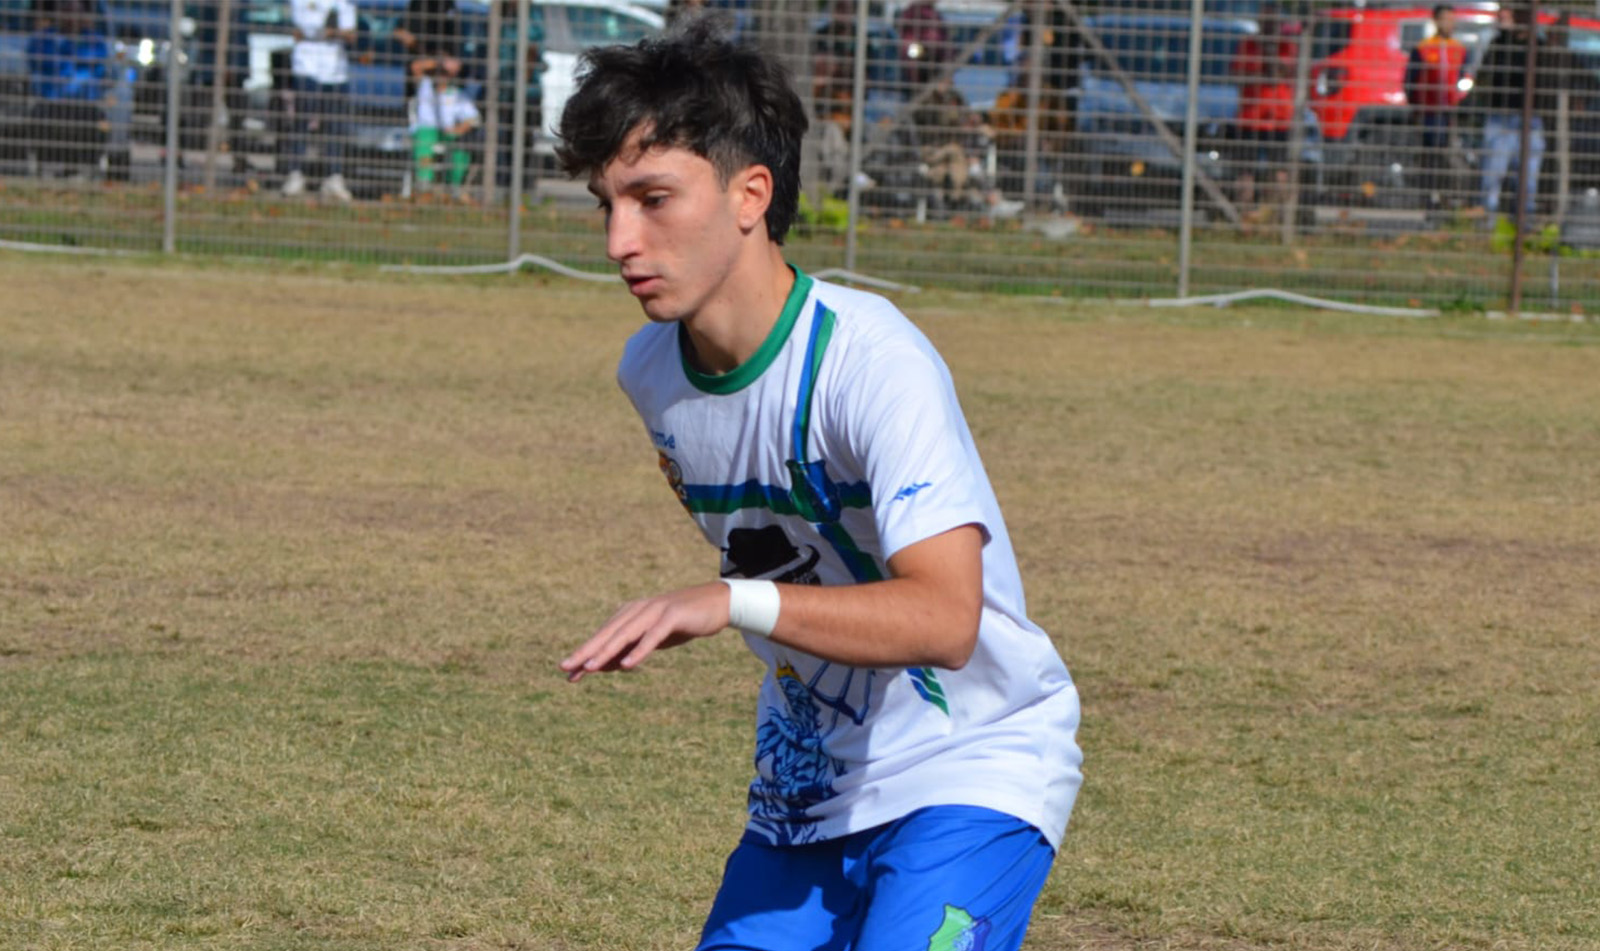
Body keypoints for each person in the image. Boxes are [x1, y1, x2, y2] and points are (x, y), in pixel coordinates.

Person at [555, 17, 1082, 951]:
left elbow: (946, 619)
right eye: (608, 204)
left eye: (652, 198)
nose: (618, 240)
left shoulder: (871, 361)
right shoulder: (652, 373)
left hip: (969, 764)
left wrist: (729, 600)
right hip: (808, 791)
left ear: (750, 194)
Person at [1470, 6, 1548, 221]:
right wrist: (1505, 35)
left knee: (1527, 178)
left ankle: (1524, 224)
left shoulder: (1538, 45)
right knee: (1492, 175)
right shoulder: (1499, 43)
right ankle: (1488, 222)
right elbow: (1487, 73)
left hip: (1529, 119)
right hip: (1501, 116)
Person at [280, 0, 357, 202]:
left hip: (336, 71)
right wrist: (327, 32)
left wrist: (329, 32)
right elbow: (299, 27)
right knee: (301, 123)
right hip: (306, 67)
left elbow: (350, 34)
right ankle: (295, 175)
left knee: (335, 127)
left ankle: (334, 177)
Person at [25, 0, 110, 176]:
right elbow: (36, 64)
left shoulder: (94, 41)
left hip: (85, 107)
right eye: (66, 10)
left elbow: (100, 69)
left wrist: (69, 68)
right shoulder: (43, 39)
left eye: (75, 11)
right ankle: (43, 168)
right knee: (36, 117)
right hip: (50, 104)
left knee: (100, 123)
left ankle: (85, 169)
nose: (70, 17)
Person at [1229, 3, 1298, 210]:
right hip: (1250, 117)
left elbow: (1281, 74)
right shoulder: (1248, 45)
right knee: (1245, 171)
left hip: (1278, 118)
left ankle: (1278, 215)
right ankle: (1244, 213)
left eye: (1273, 24)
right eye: (1266, 23)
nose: (1269, 28)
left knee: (1280, 171)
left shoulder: (1286, 46)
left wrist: (1270, 54)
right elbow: (1238, 74)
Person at [1404, 4, 1468, 208]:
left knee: (1449, 154)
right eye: (1445, 19)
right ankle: (1429, 196)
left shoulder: (1459, 49)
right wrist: (1415, 106)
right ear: (1436, 21)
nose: (1449, 23)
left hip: (1450, 112)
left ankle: (1449, 195)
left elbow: (1463, 78)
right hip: (1428, 111)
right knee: (1429, 153)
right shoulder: (1423, 48)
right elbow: (1410, 80)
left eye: (1452, 19)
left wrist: (1460, 101)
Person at [410, 65, 480, 195]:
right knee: (424, 144)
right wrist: (441, 61)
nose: (440, 77)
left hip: (448, 131)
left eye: (444, 74)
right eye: (437, 73)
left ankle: (454, 186)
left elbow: (473, 117)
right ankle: (424, 182)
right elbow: (416, 67)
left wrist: (458, 129)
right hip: (427, 129)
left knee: (461, 149)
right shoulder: (425, 86)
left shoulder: (456, 94)